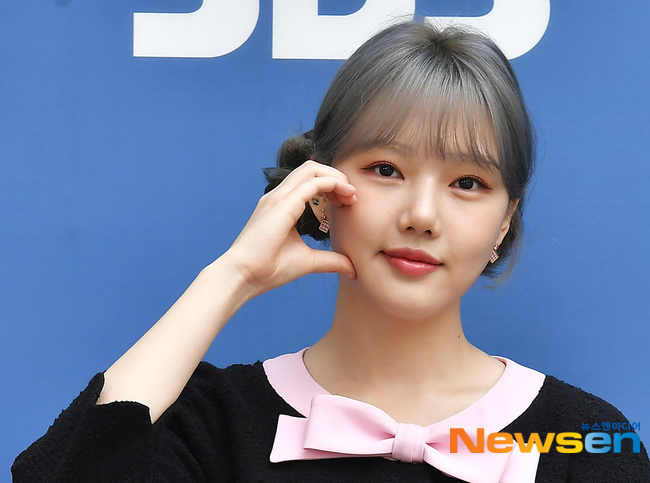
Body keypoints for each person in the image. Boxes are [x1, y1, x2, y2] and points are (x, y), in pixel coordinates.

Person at [12, 21, 650, 482]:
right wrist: (231, 276)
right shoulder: (213, 422)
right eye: (385, 169)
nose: (422, 215)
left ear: (504, 223)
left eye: (467, 183)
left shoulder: (587, 439)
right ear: (319, 191)